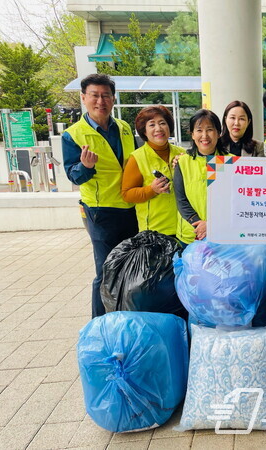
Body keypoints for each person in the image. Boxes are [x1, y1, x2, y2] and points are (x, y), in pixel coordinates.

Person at [62, 74, 138, 318]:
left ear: (113, 98)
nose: (100, 101)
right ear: (84, 98)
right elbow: (73, 176)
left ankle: (124, 317)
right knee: (105, 270)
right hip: (100, 211)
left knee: (128, 267)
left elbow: (137, 162)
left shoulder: (125, 128)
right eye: (94, 95)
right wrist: (85, 166)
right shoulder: (73, 135)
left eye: (106, 95)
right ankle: (99, 324)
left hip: (130, 207)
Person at [121, 105, 184, 236]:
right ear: (144, 131)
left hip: (183, 229)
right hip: (155, 231)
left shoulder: (182, 154)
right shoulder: (137, 158)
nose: (158, 129)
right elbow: (127, 194)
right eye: (152, 125)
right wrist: (152, 190)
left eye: (162, 123)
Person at [173, 109, 229, 245]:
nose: (204, 135)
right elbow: (181, 200)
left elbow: (233, 200)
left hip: (222, 234)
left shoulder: (230, 162)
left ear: (219, 133)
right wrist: (199, 226)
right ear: (192, 135)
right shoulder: (183, 162)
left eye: (210, 129)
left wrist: (212, 224)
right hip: (190, 235)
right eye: (199, 130)